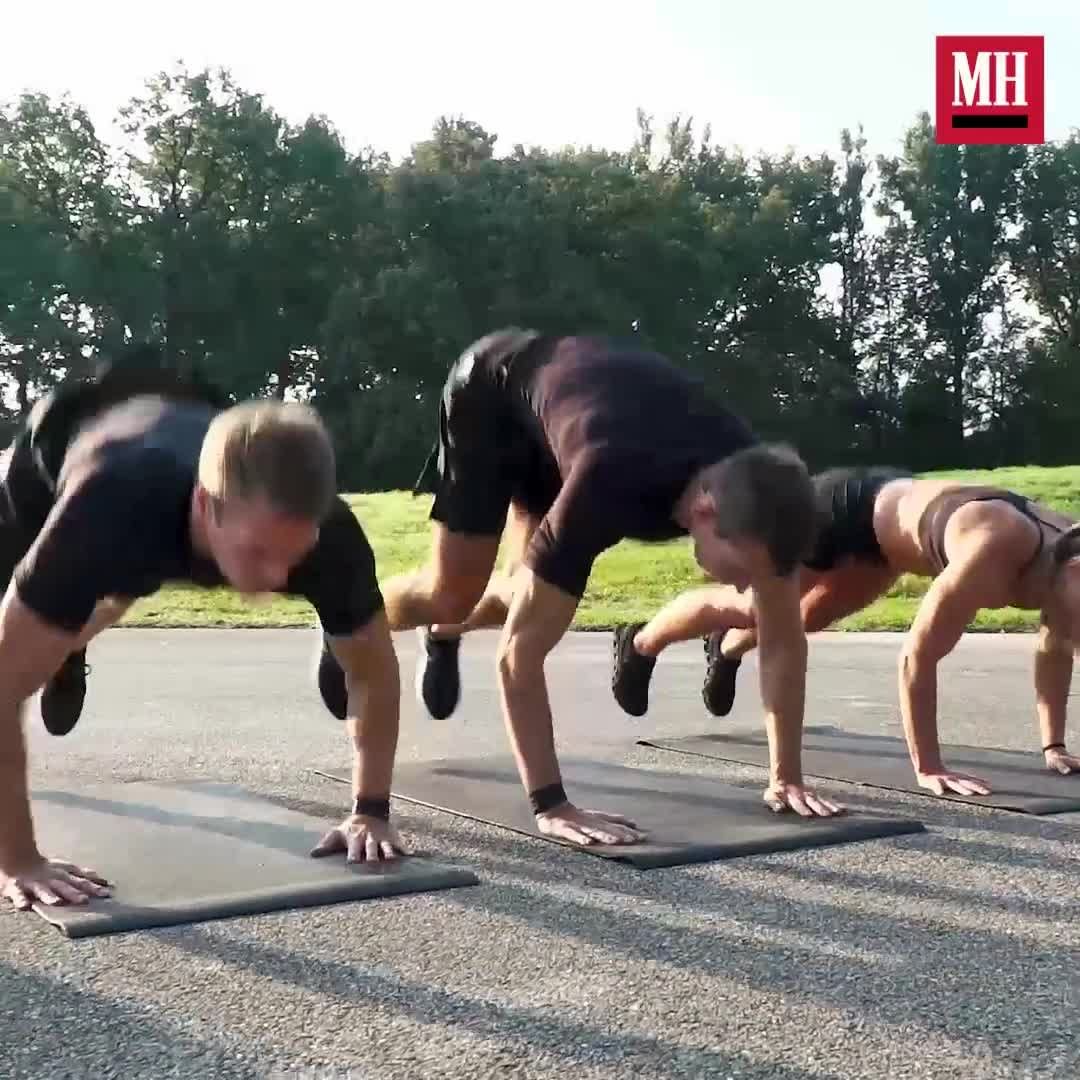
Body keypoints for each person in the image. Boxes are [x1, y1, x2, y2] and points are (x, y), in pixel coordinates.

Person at [318, 328, 845, 847]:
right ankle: (352, 617)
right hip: (492, 393)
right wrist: (551, 805)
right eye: (744, 571)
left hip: (585, 410)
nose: (745, 588)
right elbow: (518, 659)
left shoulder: (763, 493)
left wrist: (786, 777)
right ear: (704, 512)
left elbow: (781, 636)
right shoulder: (608, 482)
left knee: (521, 596)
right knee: (452, 593)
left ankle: (442, 633)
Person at [0, 360, 405, 914]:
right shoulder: (104, 507)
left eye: (294, 556)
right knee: (41, 629)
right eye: (258, 552)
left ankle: (64, 633)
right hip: (56, 453)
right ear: (204, 505)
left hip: (180, 432)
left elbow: (374, 674)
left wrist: (371, 810)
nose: (275, 579)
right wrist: (18, 859)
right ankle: (63, 643)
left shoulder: (332, 536)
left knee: (122, 581)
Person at [611, 466, 1080, 797]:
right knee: (760, 608)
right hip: (841, 510)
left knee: (808, 620)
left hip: (888, 542)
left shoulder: (1066, 566)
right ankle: (641, 642)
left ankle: (727, 648)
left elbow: (1055, 646)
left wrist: (1053, 746)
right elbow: (917, 657)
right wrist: (929, 767)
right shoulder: (993, 550)